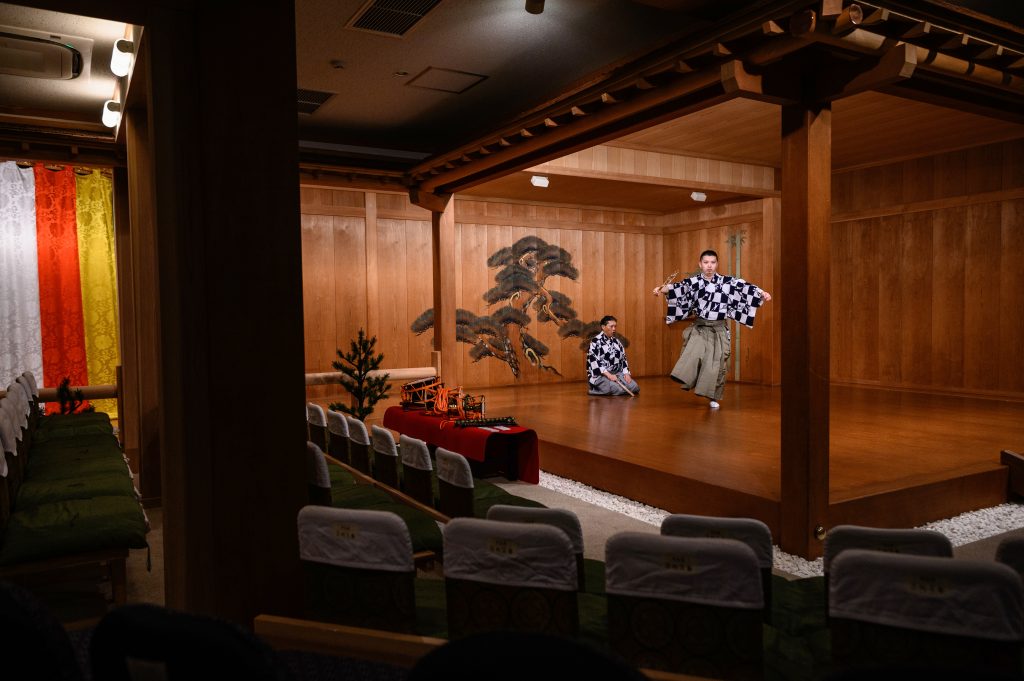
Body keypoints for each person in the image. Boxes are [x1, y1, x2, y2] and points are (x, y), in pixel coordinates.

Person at [652, 249, 771, 409]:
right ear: (700, 264)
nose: (709, 266)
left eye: (713, 262)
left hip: (719, 328)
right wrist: (661, 289)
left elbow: (745, 288)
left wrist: (762, 293)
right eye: (706, 262)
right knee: (694, 355)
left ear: (717, 264)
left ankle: (713, 397)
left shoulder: (727, 282)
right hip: (701, 327)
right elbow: (677, 288)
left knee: (717, 364)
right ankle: (687, 379)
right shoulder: (694, 282)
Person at [586, 315, 639, 396]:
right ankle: (594, 389)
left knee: (635, 387)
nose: (614, 329)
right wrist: (609, 375)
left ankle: (614, 387)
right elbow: (595, 362)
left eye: (615, 326)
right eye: (611, 326)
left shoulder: (616, 341)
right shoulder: (595, 342)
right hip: (601, 375)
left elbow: (623, 359)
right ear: (603, 327)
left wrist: (626, 373)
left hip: (616, 374)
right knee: (616, 389)